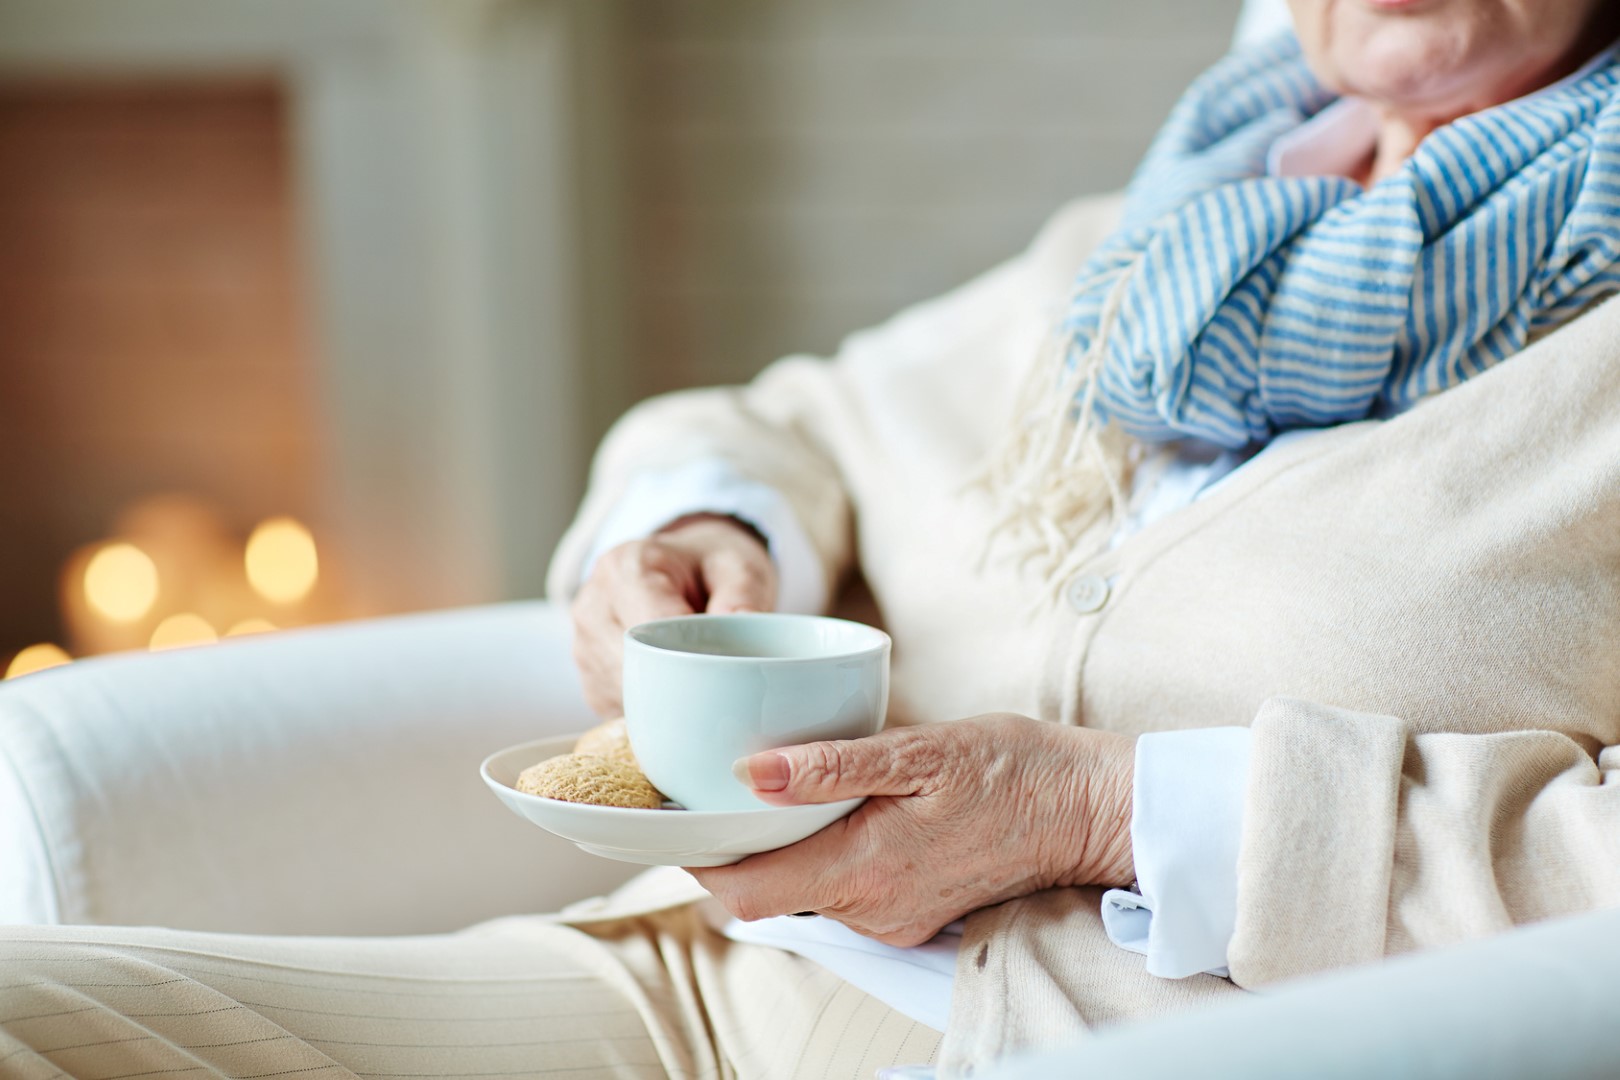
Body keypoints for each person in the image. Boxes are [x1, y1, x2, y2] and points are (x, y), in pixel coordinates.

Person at [5, 1, 1620, 1077]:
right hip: (697, 985)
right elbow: (796, 418)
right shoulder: (1160, 259)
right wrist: (700, 525)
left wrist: (1104, 813)